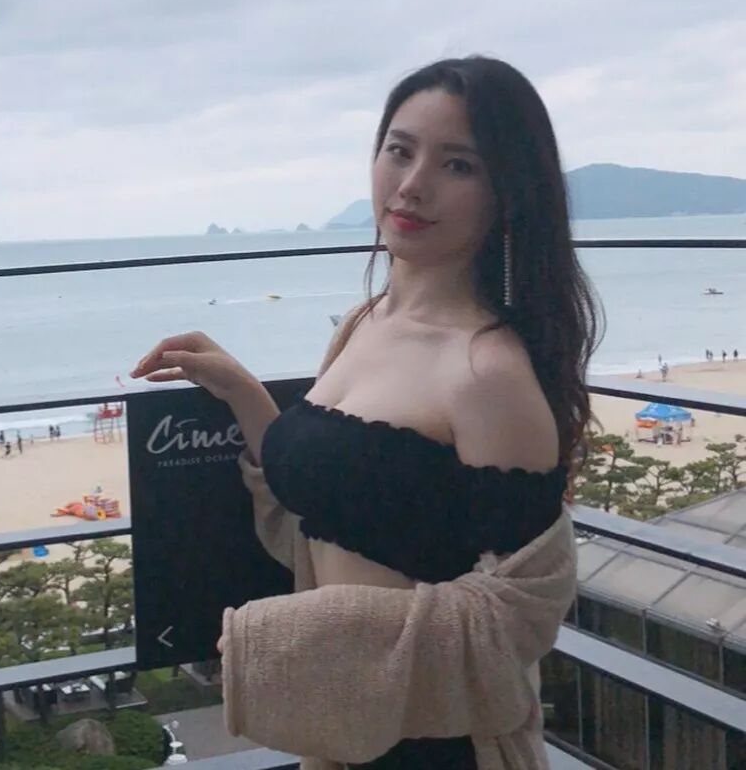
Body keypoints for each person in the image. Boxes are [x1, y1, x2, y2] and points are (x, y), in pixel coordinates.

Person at [131, 56, 602, 767]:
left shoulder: (487, 372)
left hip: (441, 747)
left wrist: (286, 638)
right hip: (349, 732)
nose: (412, 185)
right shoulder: (365, 322)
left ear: (509, 193)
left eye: (458, 165)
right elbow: (337, 504)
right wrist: (244, 393)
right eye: (400, 150)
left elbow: (516, 621)